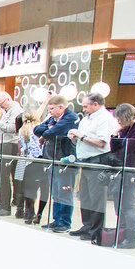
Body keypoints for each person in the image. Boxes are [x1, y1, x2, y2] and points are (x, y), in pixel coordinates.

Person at [68, 93, 119, 244]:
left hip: (97, 160)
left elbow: (102, 142)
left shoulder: (104, 118)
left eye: (86, 106)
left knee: (96, 197)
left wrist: (82, 137)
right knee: (85, 195)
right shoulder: (87, 119)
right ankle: (87, 225)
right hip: (85, 160)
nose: (83, 109)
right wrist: (75, 138)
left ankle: (96, 230)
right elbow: (83, 139)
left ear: (96, 104)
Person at [34, 94, 79, 232]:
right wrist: (50, 128)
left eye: (52, 108)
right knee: (56, 192)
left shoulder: (70, 117)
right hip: (52, 160)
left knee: (64, 192)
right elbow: (37, 130)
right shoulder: (52, 118)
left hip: (65, 162)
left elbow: (49, 133)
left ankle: (64, 222)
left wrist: (49, 130)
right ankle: (56, 220)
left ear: (61, 107)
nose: (50, 111)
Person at [108, 103, 135, 249]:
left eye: (119, 120)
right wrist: (114, 135)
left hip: (131, 173)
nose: (118, 123)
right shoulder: (127, 129)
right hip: (122, 171)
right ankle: (122, 235)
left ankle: (130, 239)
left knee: (128, 206)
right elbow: (115, 149)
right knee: (119, 207)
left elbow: (126, 151)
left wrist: (115, 156)